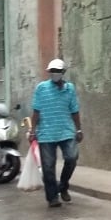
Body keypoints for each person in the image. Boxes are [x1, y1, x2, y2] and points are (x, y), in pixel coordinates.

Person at [30, 58, 82, 209]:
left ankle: (64, 185)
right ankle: (52, 197)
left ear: (63, 72)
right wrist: (32, 130)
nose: (55, 74)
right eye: (52, 71)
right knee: (48, 167)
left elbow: (75, 111)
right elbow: (36, 111)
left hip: (66, 131)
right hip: (46, 133)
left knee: (72, 157)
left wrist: (79, 129)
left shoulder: (70, 88)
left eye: (57, 71)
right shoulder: (41, 88)